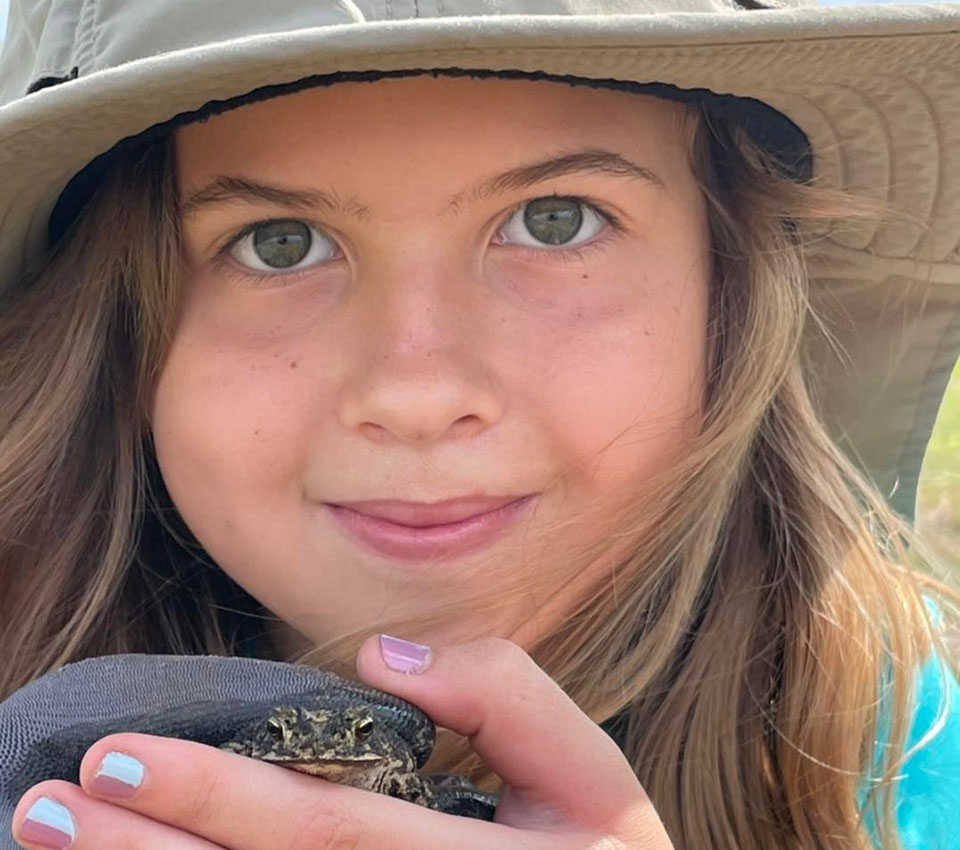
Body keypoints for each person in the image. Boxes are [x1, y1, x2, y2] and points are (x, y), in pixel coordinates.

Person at [0, 1, 957, 849]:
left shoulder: (914, 756)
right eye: (278, 243)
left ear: (734, 293)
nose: (417, 392)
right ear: (120, 335)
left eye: (555, 220)